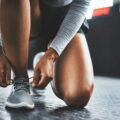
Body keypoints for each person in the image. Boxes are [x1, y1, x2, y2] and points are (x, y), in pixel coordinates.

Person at [0, 0, 94, 109]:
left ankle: (46, 66)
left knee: (78, 96)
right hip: (24, 10)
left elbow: (82, 4)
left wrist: (52, 55)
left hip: (65, 16)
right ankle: (21, 80)